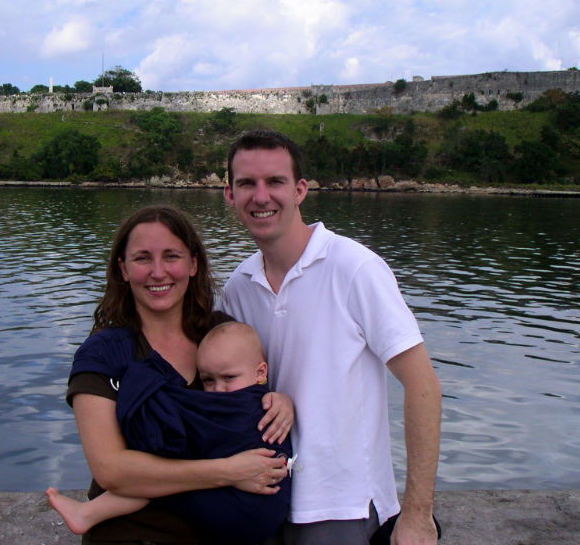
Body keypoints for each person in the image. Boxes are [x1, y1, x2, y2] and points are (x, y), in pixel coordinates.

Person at [221, 130, 442, 545]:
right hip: (265, 495)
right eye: (247, 183)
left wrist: (417, 514)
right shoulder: (238, 287)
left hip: (343, 504)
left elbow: (423, 384)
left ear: (300, 190)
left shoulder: (355, 268)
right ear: (229, 194)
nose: (261, 195)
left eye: (276, 182)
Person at [59, 204, 292, 545]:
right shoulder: (104, 352)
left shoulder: (223, 336)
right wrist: (228, 471)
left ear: (193, 264)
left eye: (171, 256)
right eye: (142, 258)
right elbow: (112, 470)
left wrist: (281, 400)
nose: (158, 272)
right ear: (123, 269)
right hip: (135, 534)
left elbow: (251, 403)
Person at [46, 321, 292, 541]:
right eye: (207, 380)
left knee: (161, 479)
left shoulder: (245, 407)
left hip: (244, 513)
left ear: (261, 372)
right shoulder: (257, 399)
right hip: (264, 516)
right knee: (166, 478)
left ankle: (88, 513)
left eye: (228, 378)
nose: (218, 389)